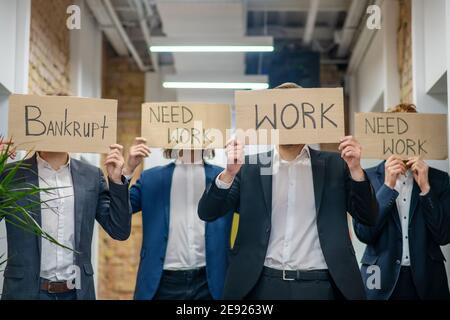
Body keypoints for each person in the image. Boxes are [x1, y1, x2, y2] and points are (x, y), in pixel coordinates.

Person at [197, 82, 378, 300]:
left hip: (321, 285)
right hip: (260, 285)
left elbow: (368, 216)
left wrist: (357, 171)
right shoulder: (250, 167)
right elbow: (207, 212)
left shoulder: (336, 165)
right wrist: (228, 173)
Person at [1, 144, 132, 300]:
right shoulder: (11, 173)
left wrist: (117, 182)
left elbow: (119, 230)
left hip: (76, 292)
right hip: (25, 291)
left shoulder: (91, 176)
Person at [353, 103, 450, 300]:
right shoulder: (368, 178)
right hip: (379, 280)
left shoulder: (439, 180)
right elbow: (364, 233)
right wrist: (388, 187)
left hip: (427, 282)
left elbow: (444, 235)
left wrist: (426, 189)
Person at [124, 138, 232, 300]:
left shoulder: (225, 177)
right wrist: (128, 170)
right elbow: (119, 212)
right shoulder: (150, 179)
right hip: (161, 284)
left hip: (211, 284)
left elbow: (253, 214)